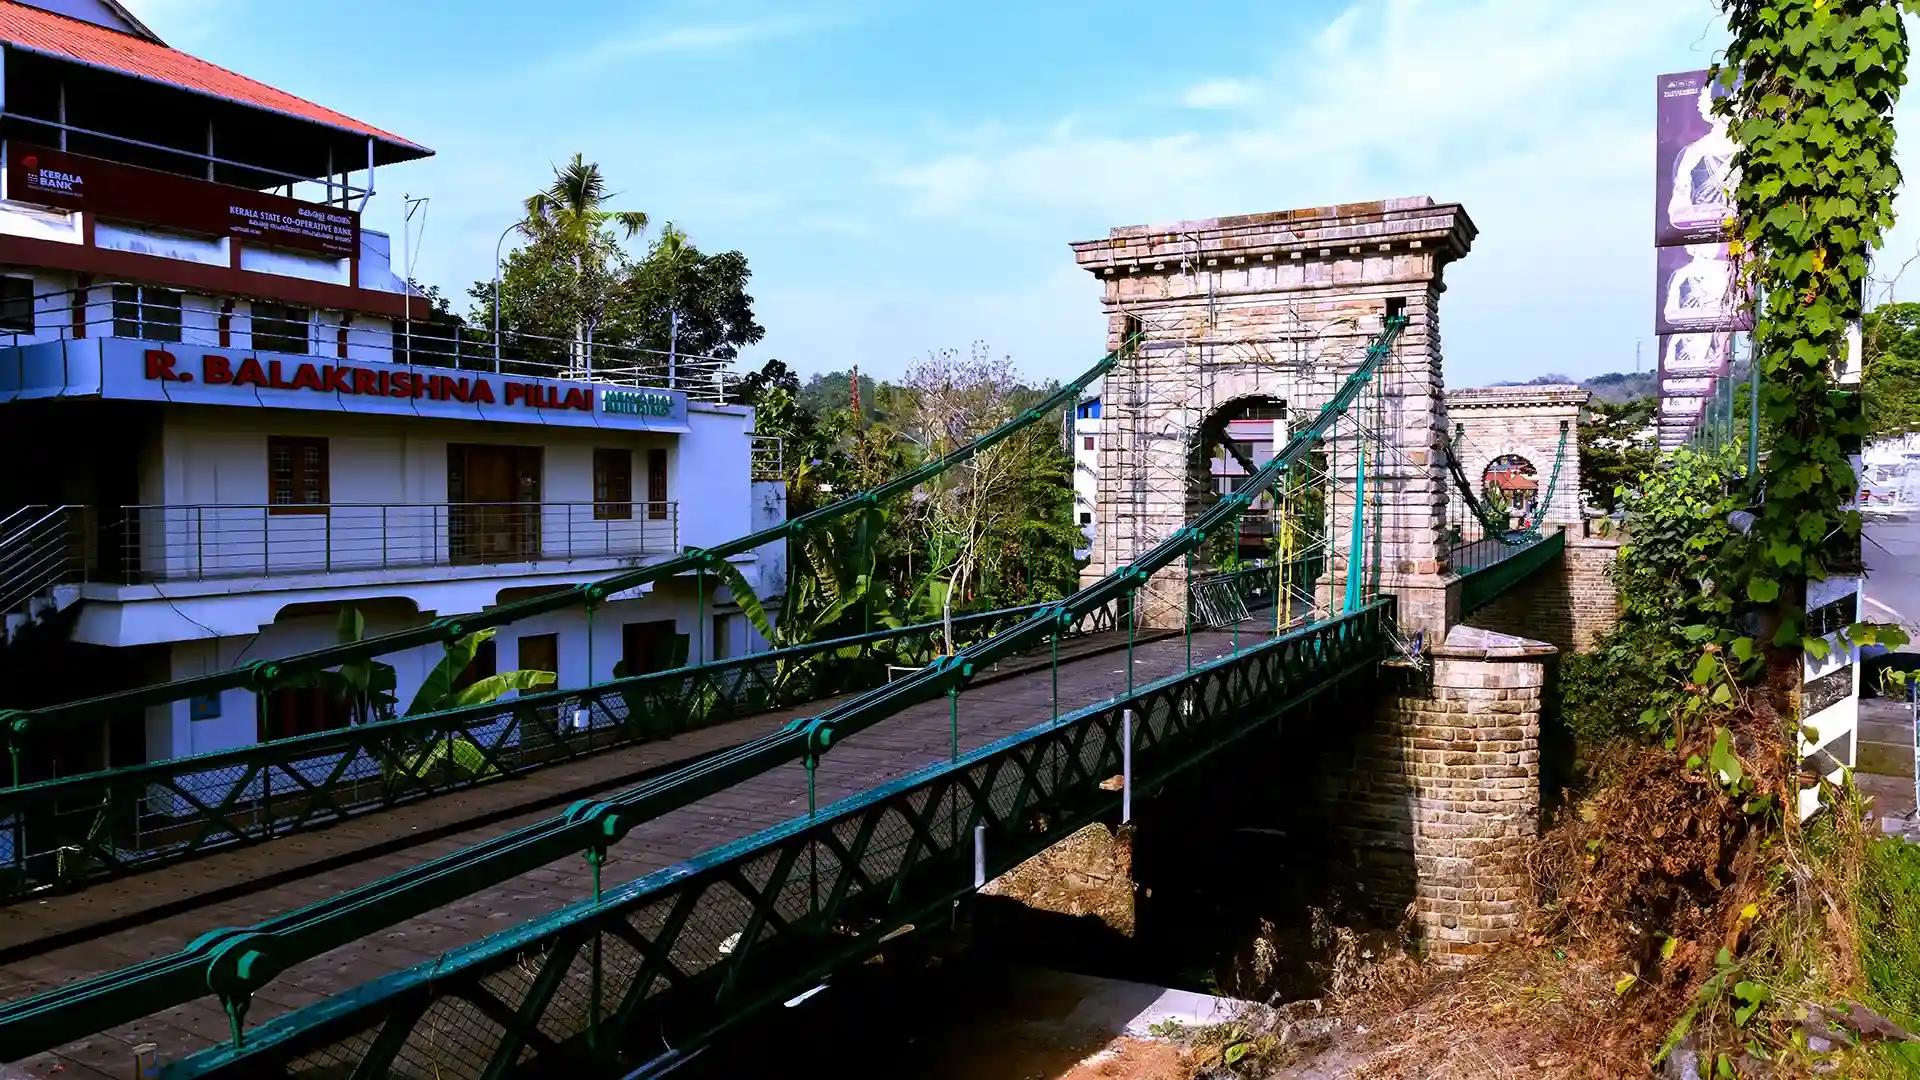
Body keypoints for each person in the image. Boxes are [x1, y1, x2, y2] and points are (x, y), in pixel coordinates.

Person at [1667, 79, 1737, 235]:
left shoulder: (1755, 151)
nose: (1738, 108)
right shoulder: (1690, 155)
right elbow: (1679, 215)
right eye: (1731, 101)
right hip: (1704, 243)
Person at [1663, 244, 1738, 330]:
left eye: (1716, 244)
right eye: (1709, 244)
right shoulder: (1682, 273)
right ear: (1695, 247)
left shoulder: (1725, 266)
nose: (1715, 247)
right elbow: (1671, 312)